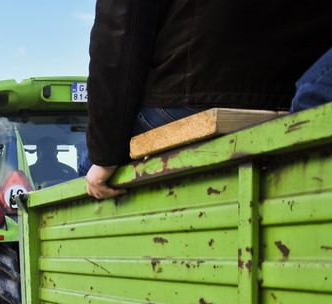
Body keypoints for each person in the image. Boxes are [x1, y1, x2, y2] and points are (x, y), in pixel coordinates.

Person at [82, 0, 332, 200]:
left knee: (86, 167)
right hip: (294, 97)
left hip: (192, 93)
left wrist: (106, 155)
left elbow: (119, 29)